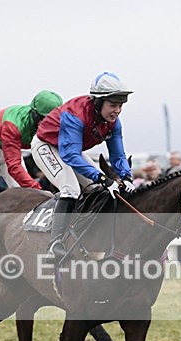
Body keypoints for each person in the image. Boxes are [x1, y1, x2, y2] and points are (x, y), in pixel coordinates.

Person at [32, 72, 135, 260]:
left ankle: (84, 234)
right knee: (70, 189)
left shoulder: (113, 122)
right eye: (113, 105)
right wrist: (103, 178)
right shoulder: (76, 114)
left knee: (96, 190)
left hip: (71, 148)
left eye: (120, 105)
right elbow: (70, 155)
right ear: (97, 102)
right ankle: (55, 244)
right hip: (47, 145)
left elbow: (118, 154)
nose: (117, 110)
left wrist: (126, 176)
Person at [0, 90, 63, 203]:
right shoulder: (13, 125)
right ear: (34, 113)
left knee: (24, 191)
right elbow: (14, 166)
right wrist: (39, 191)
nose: (46, 124)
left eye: (51, 120)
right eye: (42, 118)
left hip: (8, 144)